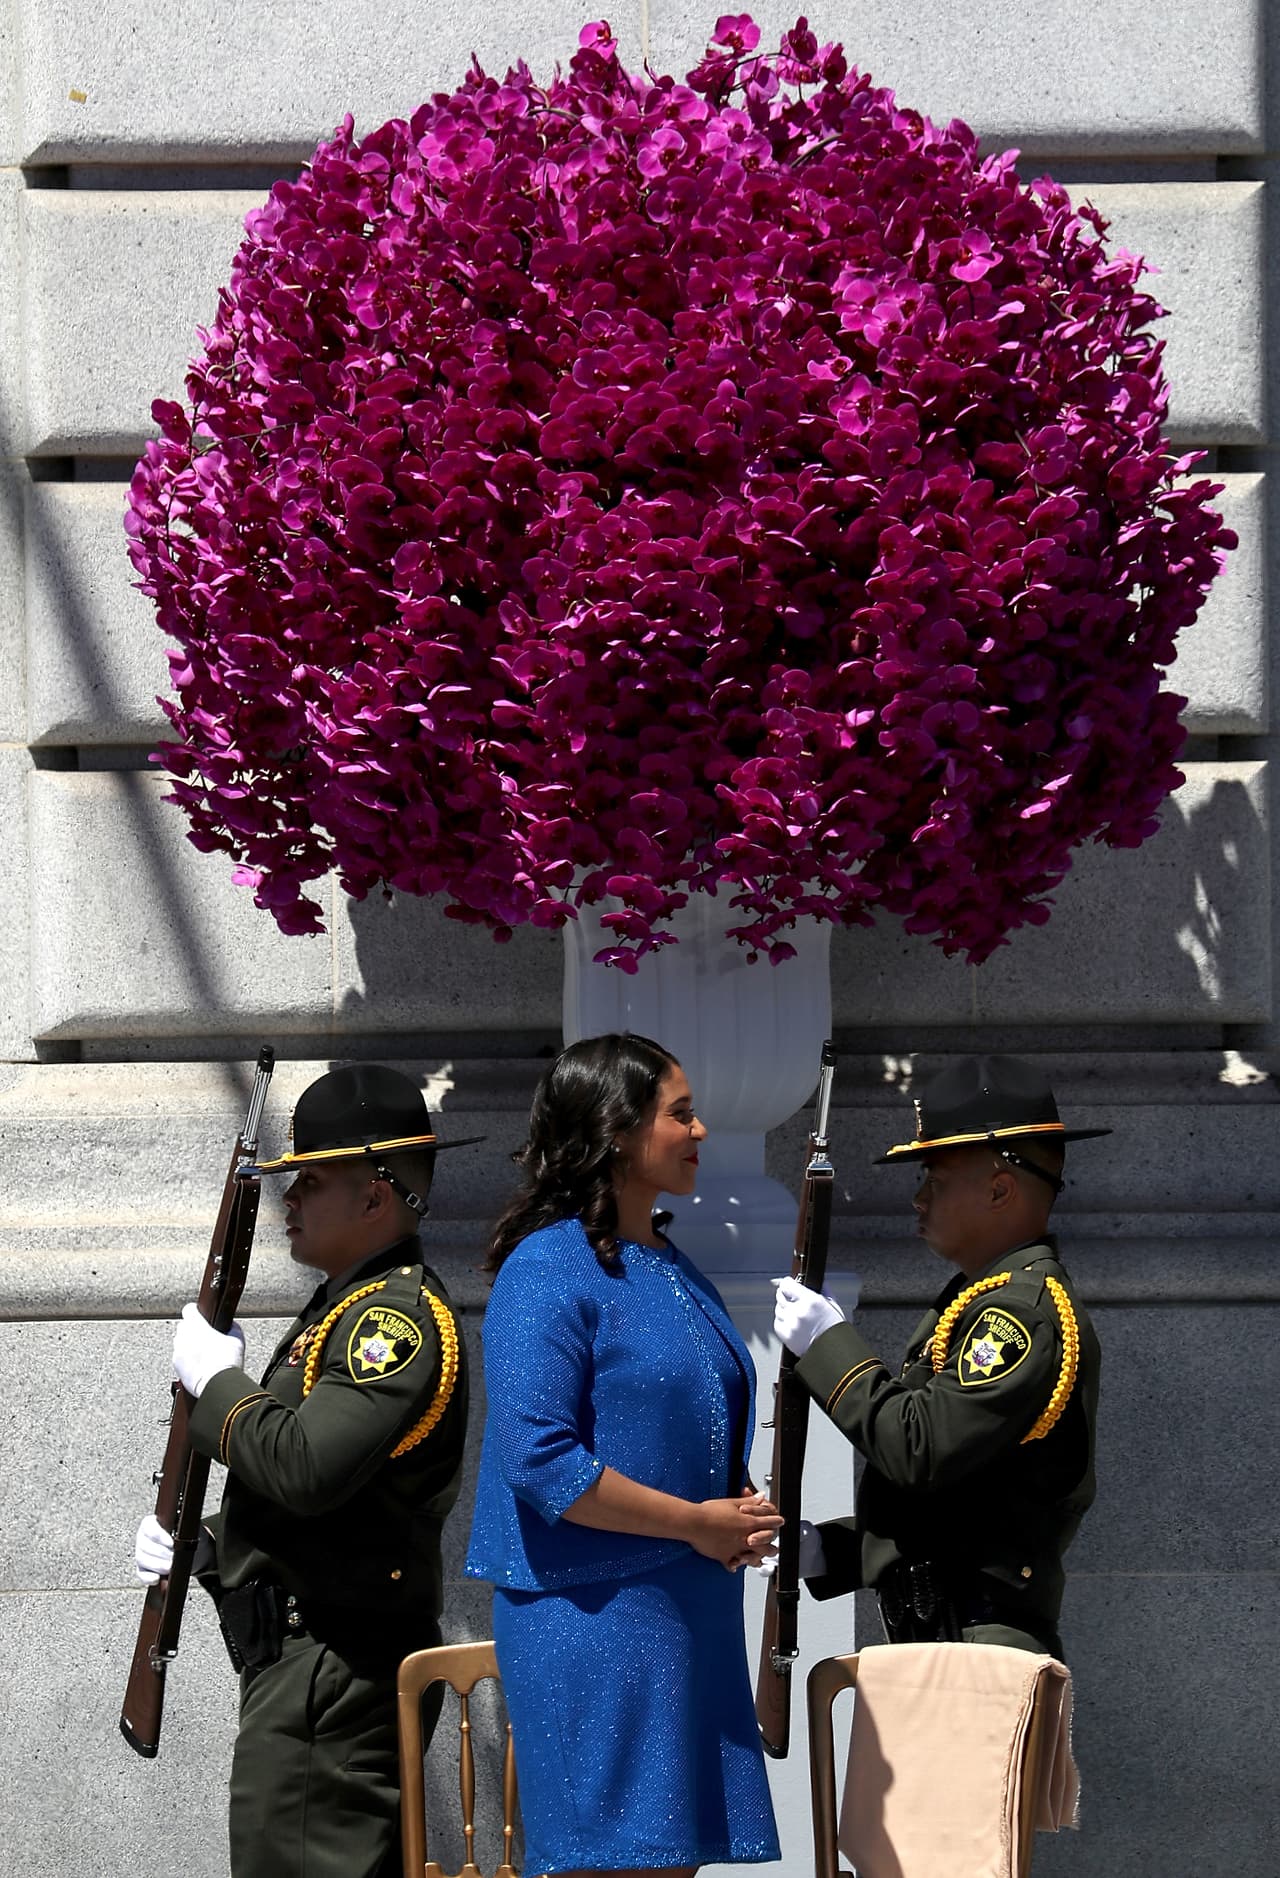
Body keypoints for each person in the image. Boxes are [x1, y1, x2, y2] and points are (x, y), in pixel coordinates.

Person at [133, 1064, 474, 1878]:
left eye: (309, 1181)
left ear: (375, 1197)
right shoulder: (341, 1305)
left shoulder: (389, 1320)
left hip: (334, 1671)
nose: (288, 1199)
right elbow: (322, 1501)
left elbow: (307, 1467)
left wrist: (218, 1386)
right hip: (309, 1668)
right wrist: (200, 1544)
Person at [465, 1033, 783, 1878]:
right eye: (680, 1113)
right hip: (595, 1619)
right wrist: (697, 1524)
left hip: (683, 1614)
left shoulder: (673, 1266)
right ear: (615, 1130)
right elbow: (540, 1462)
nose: (702, 1130)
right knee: (616, 1863)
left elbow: (685, 1421)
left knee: (668, 1864)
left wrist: (735, 1508)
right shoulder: (547, 1269)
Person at [773, 1054, 1103, 1659]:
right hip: (940, 1637)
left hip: (974, 1643)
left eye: (936, 1179)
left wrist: (829, 1346)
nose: (919, 1199)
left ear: (1000, 1188)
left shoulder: (1019, 1313)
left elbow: (919, 1448)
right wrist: (831, 1550)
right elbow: (959, 1499)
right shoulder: (976, 1297)